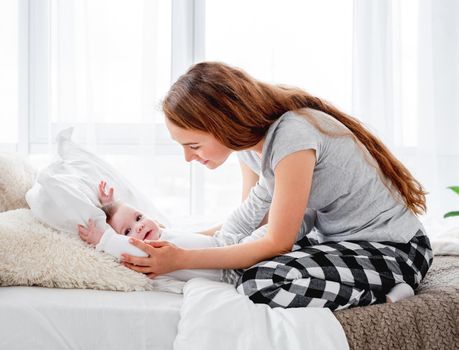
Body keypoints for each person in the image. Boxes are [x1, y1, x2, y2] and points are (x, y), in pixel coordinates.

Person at [119, 62, 433, 310]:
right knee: (245, 263)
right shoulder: (249, 148)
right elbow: (248, 227)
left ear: (222, 125)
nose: (188, 157)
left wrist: (182, 259)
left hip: (396, 250)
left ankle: (382, 299)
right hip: (344, 244)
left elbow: (276, 242)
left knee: (258, 282)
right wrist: (170, 239)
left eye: (194, 145)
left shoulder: (292, 137)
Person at [78, 180, 270, 282]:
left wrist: (109, 204)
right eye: (128, 231)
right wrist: (103, 239)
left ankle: (270, 182)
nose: (140, 226)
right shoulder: (151, 254)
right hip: (230, 267)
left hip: (223, 239)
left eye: (139, 218)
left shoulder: (162, 234)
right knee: (270, 233)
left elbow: (124, 216)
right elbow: (125, 249)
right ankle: (296, 222)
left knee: (252, 204)